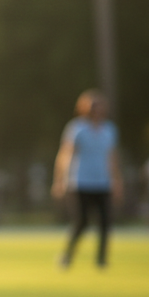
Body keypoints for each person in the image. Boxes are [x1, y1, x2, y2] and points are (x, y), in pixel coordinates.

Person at [51, 89, 122, 268]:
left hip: (102, 181)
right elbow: (65, 155)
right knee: (82, 222)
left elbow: (112, 158)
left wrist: (117, 181)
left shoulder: (109, 130)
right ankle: (67, 255)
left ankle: (101, 259)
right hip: (80, 181)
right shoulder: (76, 128)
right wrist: (59, 180)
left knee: (105, 222)